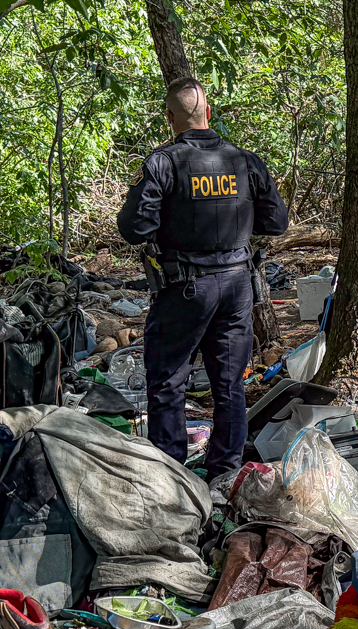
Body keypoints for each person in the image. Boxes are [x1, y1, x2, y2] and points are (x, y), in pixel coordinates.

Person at [117, 77, 288, 479]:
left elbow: (133, 228)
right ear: (208, 113)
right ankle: (225, 471)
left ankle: (172, 475)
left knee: (167, 383)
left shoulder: (163, 162)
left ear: (169, 117)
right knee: (229, 384)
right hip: (236, 285)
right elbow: (276, 222)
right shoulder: (244, 160)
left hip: (185, 290)